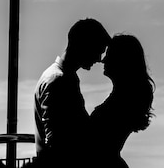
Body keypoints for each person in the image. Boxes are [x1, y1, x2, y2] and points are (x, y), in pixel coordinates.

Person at [34, 18, 110, 166]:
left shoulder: (60, 77)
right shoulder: (59, 81)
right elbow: (56, 141)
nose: (99, 59)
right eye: (97, 51)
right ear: (83, 45)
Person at [90, 34, 155, 168]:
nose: (104, 60)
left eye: (109, 55)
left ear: (121, 60)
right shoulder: (124, 98)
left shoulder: (122, 102)